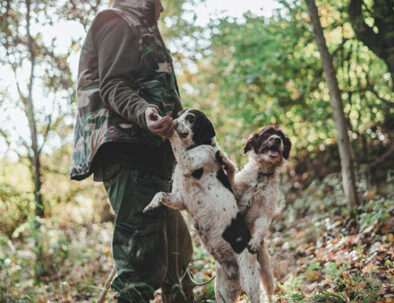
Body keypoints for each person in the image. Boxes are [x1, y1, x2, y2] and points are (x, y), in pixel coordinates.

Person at [70, 0, 195, 302]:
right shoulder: (116, 21)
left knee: (177, 261)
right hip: (132, 156)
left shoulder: (144, 28)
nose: (163, 7)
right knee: (141, 269)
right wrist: (145, 112)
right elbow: (113, 84)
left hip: (154, 160)